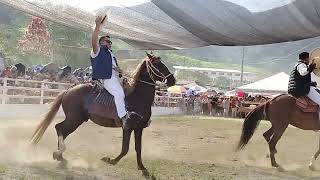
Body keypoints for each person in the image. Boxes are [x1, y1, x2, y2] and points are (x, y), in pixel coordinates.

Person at [90, 15, 140, 129]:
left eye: (110, 41)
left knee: (132, 90)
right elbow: (93, 41)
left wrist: (119, 70)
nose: (110, 43)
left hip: (116, 77)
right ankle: (123, 118)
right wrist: (97, 26)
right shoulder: (97, 51)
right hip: (107, 79)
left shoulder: (110, 54)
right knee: (119, 94)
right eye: (108, 41)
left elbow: (114, 68)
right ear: (101, 42)